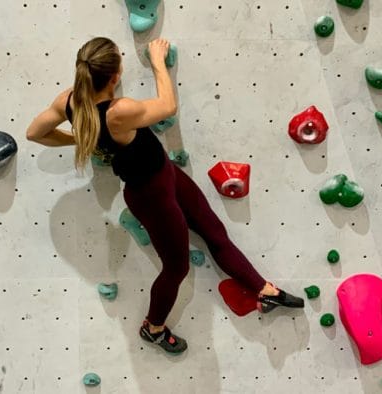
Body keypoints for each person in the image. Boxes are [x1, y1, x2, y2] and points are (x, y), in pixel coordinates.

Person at [26, 37, 305, 354]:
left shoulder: (68, 102)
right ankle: (153, 328)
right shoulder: (120, 111)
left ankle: (263, 290)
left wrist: (80, 140)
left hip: (165, 175)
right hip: (150, 197)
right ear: (115, 76)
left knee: (215, 234)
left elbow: (34, 132)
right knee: (176, 269)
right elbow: (167, 106)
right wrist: (158, 61)